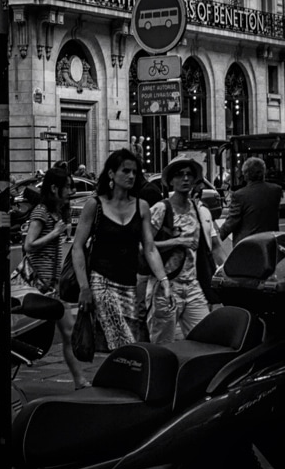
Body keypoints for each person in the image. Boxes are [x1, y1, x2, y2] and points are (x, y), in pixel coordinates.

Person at [70, 150, 172, 353]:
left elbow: (149, 248)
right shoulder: (95, 205)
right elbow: (77, 247)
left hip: (130, 284)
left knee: (133, 344)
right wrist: (84, 287)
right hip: (102, 282)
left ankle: (117, 380)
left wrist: (164, 280)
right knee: (123, 343)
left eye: (135, 172)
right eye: (126, 171)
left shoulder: (141, 206)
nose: (131, 176)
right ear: (111, 174)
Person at [20, 167, 86, 384]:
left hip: (51, 286)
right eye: (67, 186)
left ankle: (79, 380)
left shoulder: (57, 213)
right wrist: (55, 233)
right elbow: (29, 245)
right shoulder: (41, 212)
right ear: (55, 188)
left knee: (68, 333)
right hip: (37, 286)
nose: (71, 191)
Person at [146, 158, 214, 344]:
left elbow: (207, 247)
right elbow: (144, 245)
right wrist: (177, 241)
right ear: (170, 181)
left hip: (193, 285)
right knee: (163, 343)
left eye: (189, 175)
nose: (185, 179)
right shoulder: (161, 208)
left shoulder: (197, 209)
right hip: (167, 286)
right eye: (179, 175)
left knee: (206, 339)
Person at [217, 156, 283, 241]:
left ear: (246, 175)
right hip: (270, 240)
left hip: (248, 243)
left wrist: (220, 234)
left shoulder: (239, 195)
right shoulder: (276, 190)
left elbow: (233, 220)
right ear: (264, 172)